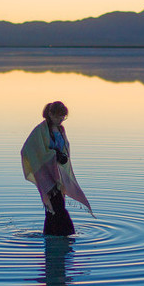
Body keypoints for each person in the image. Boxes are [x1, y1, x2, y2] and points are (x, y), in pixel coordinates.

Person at [21, 101, 93, 236]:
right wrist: (53, 155)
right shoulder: (40, 131)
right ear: (50, 114)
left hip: (58, 173)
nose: (61, 119)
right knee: (56, 207)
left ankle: (51, 236)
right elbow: (27, 150)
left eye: (63, 117)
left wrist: (62, 156)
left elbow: (65, 149)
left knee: (54, 208)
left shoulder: (61, 130)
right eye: (59, 116)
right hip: (46, 174)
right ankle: (67, 234)